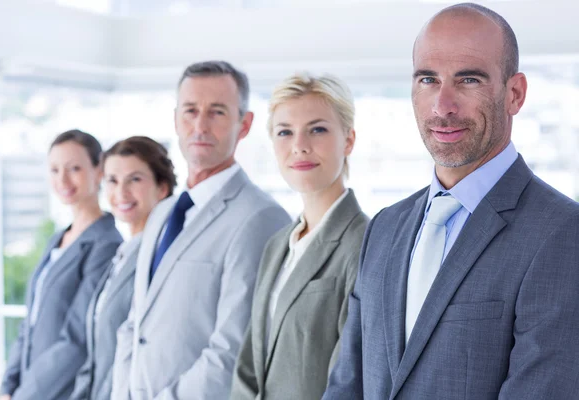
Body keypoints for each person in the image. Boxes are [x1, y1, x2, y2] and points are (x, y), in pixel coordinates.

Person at [323, 3, 579, 399]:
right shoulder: (384, 228)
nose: (442, 106)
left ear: (515, 94)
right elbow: (346, 386)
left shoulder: (561, 234)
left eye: (469, 80)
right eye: (428, 79)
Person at [111, 61, 291, 400]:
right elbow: (134, 326)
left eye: (217, 112)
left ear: (245, 123)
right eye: (191, 111)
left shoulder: (261, 217)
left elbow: (233, 350)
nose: (200, 125)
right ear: (176, 117)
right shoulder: (163, 213)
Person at [229, 73, 368, 400]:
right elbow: (250, 363)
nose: (299, 146)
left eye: (317, 129)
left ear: (348, 140)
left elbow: (351, 376)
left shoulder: (365, 243)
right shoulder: (278, 245)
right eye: (284, 132)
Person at [0, 130, 123, 400]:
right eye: (54, 170)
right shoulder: (58, 238)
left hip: (60, 391)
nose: (62, 179)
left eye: (74, 168)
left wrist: (25, 394)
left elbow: (77, 340)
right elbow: (29, 323)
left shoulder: (106, 245)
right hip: (26, 388)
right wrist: (7, 387)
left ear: (98, 170)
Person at [70, 136, 176, 400]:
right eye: (113, 181)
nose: (121, 192)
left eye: (135, 179)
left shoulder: (161, 257)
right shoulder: (124, 252)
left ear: (162, 188)